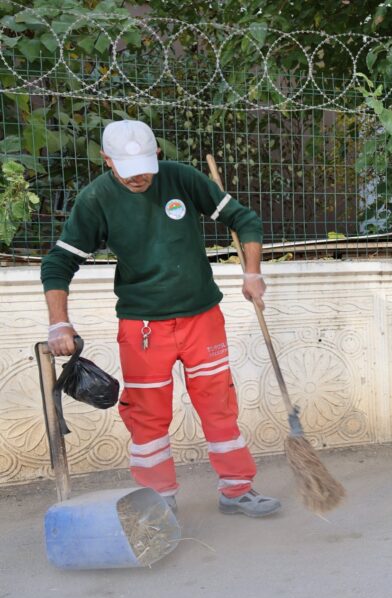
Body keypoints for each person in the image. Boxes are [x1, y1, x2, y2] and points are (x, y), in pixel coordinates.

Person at [41, 119, 281, 517]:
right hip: (144, 326)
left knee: (218, 404)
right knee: (148, 413)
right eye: (128, 170)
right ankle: (159, 499)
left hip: (202, 317)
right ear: (107, 161)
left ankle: (237, 490)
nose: (139, 178)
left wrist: (252, 273)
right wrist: (58, 322)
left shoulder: (181, 178)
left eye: (146, 168)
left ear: (156, 157)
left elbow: (244, 219)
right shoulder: (96, 199)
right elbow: (59, 261)